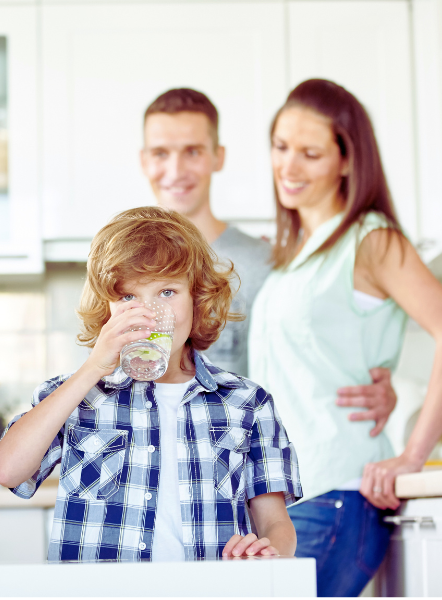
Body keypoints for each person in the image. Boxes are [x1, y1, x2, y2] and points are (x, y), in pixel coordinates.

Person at [248, 79, 442, 596]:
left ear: (347, 161)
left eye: (310, 153)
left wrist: (412, 455)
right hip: (290, 500)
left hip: (335, 496)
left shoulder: (371, 239)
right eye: (281, 147)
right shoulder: (297, 256)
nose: (288, 167)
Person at [0, 206, 302, 561]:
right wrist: (93, 368)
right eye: (128, 297)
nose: (150, 313)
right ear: (107, 308)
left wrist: (267, 550)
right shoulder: (76, 395)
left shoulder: (247, 403)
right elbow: (6, 471)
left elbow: (276, 524)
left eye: (167, 292)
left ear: (197, 298)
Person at [140, 88, 397, 438]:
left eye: (193, 151)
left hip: (241, 470)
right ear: (143, 160)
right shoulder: (122, 265)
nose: (176, 169)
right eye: (160, 153)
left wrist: (381, 388)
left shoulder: (270, 264)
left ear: (218, 157)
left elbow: (312, 357)